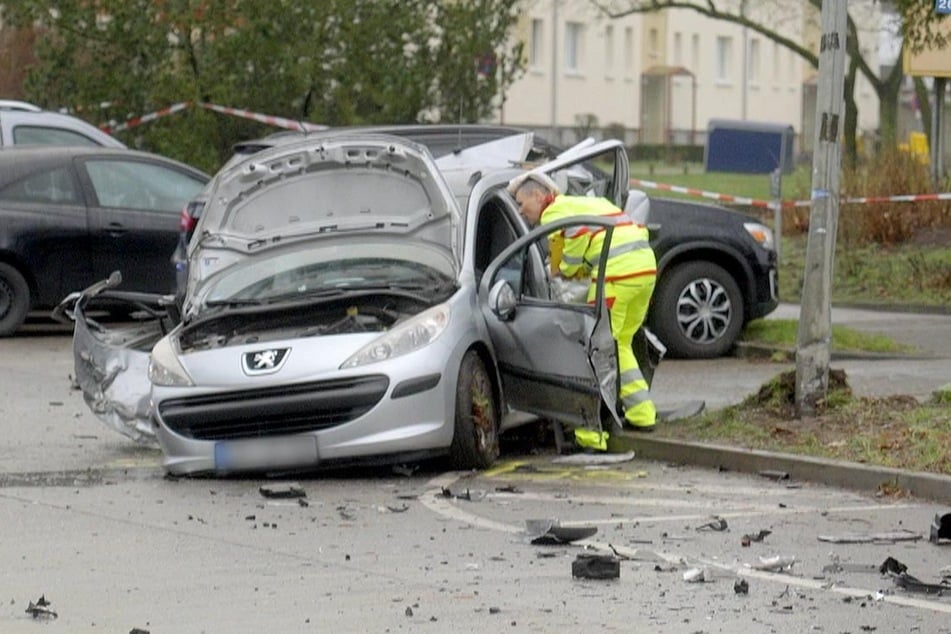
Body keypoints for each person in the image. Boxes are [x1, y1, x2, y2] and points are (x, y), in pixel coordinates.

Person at [506, 171, 657, 451]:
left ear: (539, 196)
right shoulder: (585, 204)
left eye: (520, 203)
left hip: (616, 275)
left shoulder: (554, 213)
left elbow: (573, 245)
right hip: (644, 270)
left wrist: (567, 269)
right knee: (619, 344)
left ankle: (591, 436)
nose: (520, 211)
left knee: (593, 352)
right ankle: (641, 413)